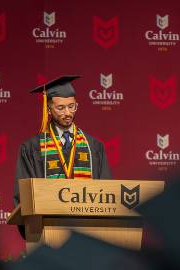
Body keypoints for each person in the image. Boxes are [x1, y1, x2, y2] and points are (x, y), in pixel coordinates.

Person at [14, 75, 112, 205]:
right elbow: (24, 196)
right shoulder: (31, 148)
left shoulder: (94, 146)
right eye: (60, 108)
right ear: (48, 110)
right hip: (47, 222)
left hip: (86, 222)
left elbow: (105, 194)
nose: (68, 113)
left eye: (72, 106)